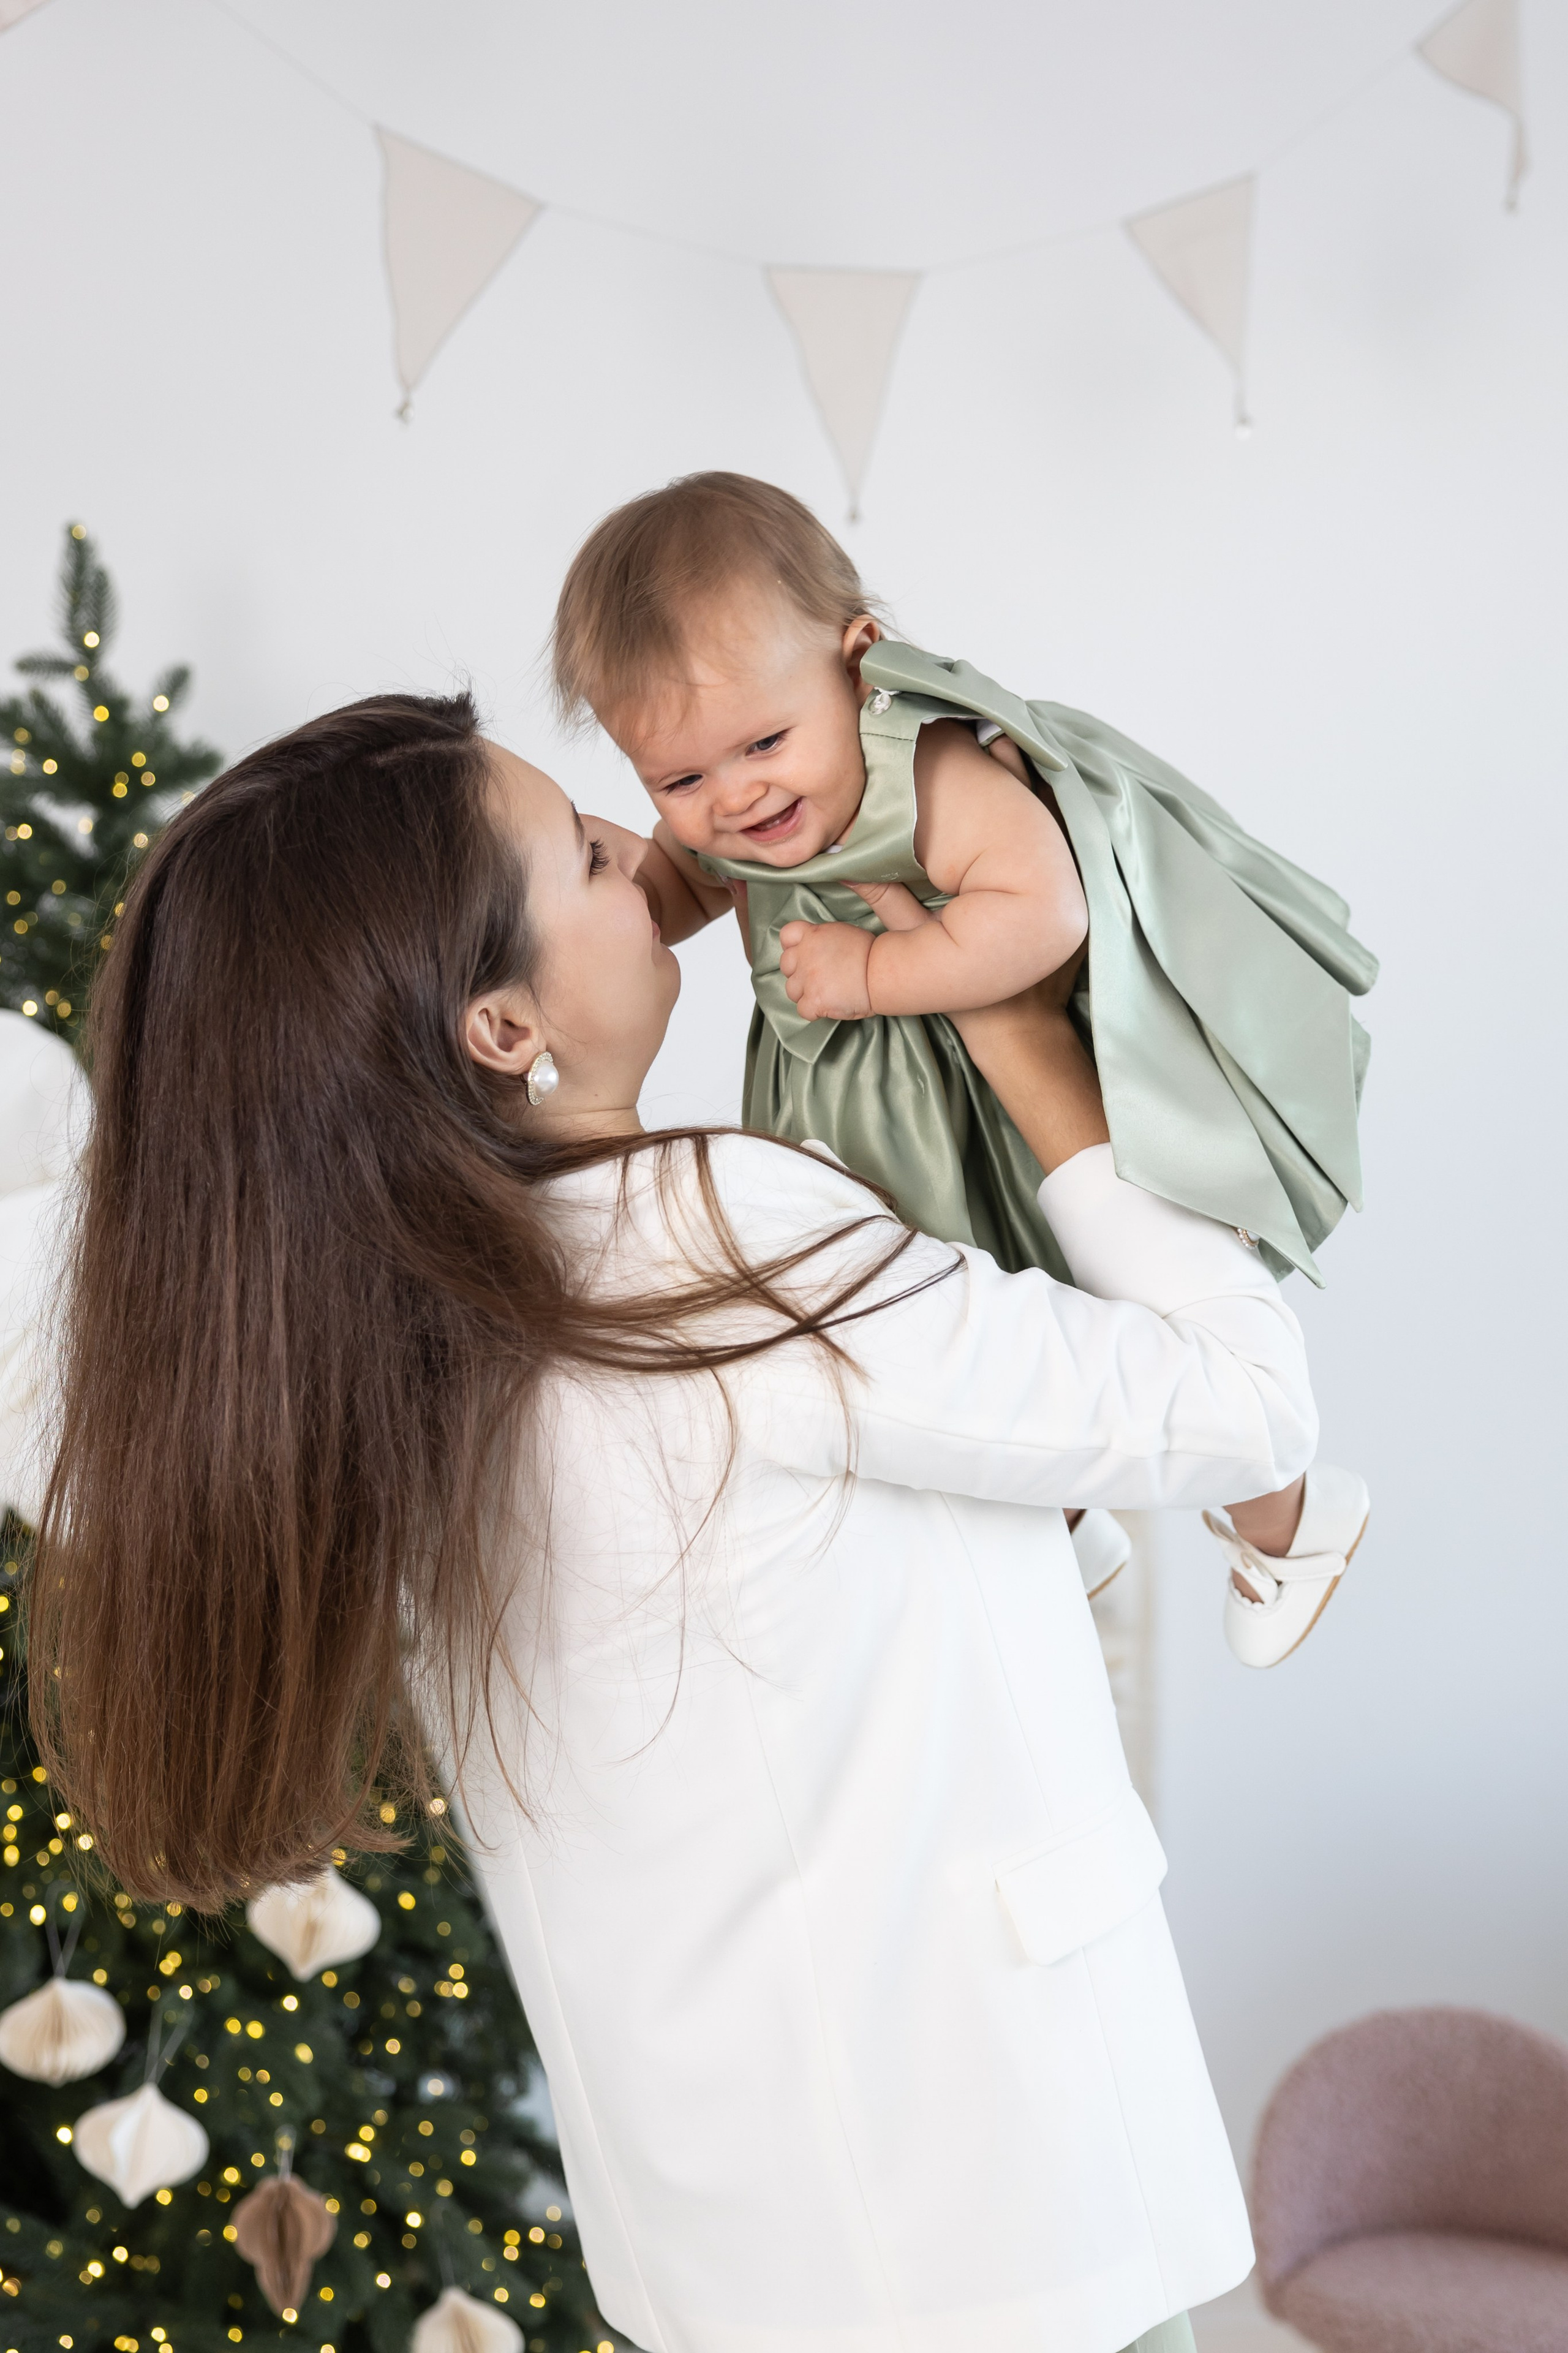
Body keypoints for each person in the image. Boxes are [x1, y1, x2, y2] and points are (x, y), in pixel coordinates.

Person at [32, 691, 1319, 2353]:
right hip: (991, 2223)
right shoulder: (720, 1239)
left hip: (730, 2250)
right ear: (499, 1026)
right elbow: (1245, 1398)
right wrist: (1016, 1030)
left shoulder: (368, 1347)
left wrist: (654, 922)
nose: (650, 854)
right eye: (587, 850)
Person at [550, 473, 1374, 1667]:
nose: (733, 799)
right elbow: (685, 883)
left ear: (858, 661)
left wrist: (873, 975)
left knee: (1139, 1298)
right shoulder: (742, 798)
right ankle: (1057, 1527)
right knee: (943, 1325)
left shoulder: (921, 768)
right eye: (677, 782)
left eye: (763, 745)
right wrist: (608, 883)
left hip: (1002, 1099)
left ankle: (1291, 1513)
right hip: (876, 1118)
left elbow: (1038, 912)